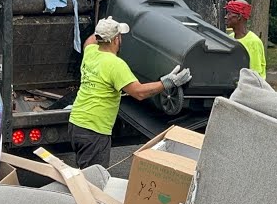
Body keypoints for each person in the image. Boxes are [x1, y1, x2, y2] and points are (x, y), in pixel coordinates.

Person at [69, 17, 192, 169]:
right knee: (93, 181)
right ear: (116, 39)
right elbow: (138, 92)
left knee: (83, 175)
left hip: (76, 124)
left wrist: (102, 28)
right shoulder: (115, 64)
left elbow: (89, 42)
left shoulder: (91, 52)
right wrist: (167, 83)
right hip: (95, 129)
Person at [225, 0, 266, 79]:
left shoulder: (253, 42)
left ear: (239, 16)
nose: (226, 17)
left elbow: (255, 75)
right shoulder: (229, 38)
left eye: (229, 13)